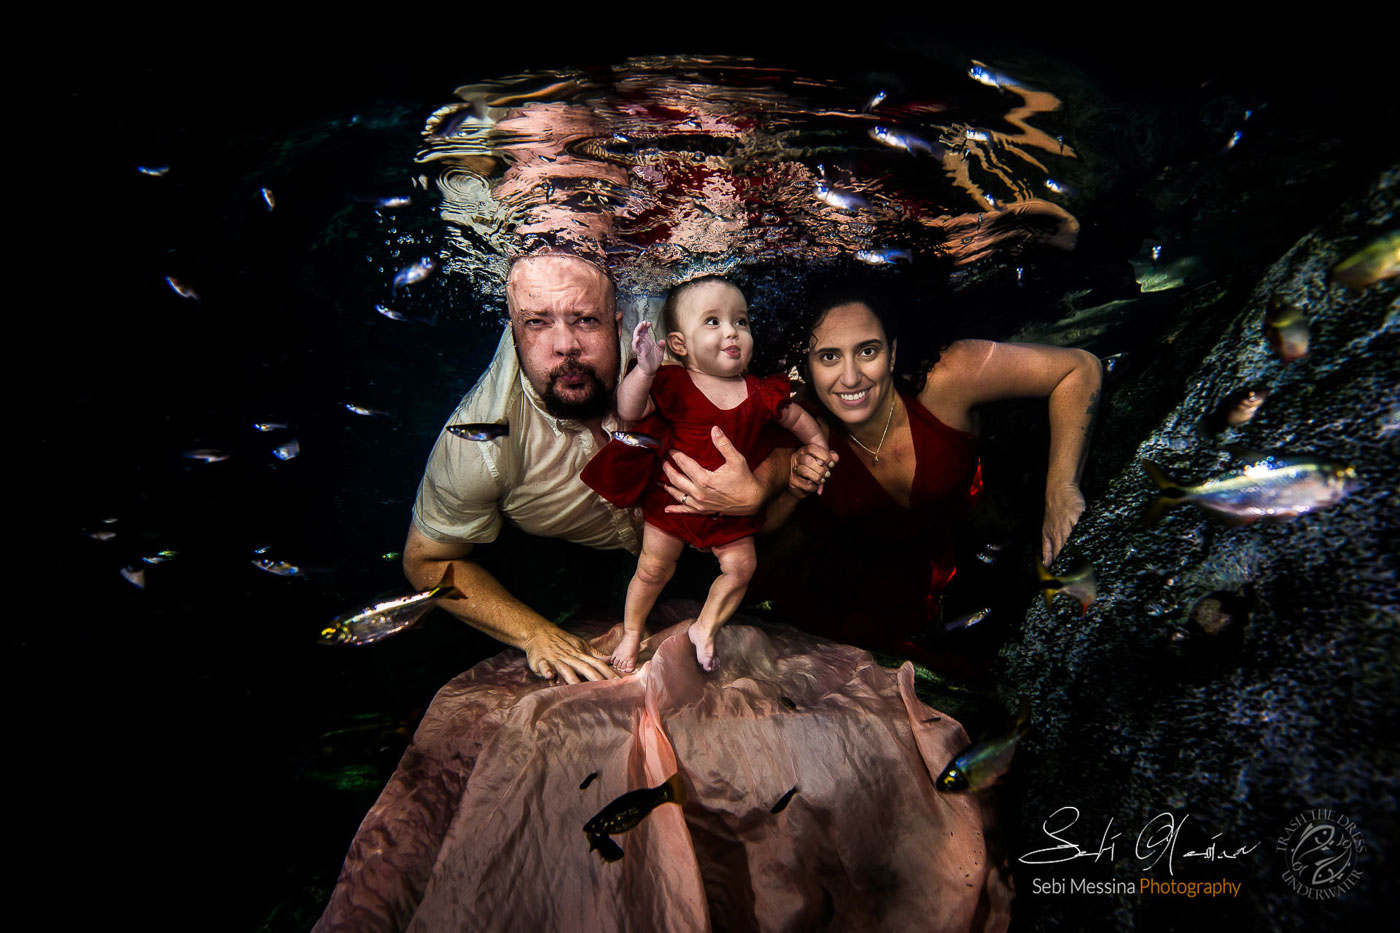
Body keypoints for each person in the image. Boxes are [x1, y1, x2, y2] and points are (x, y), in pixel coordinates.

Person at [404, 253, 789, 683]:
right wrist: (534, 634)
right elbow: (426, 561)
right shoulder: (479, 444)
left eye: (586, 320)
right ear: (513, 331)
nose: (565, 344)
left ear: (619, 322)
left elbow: (784, 423)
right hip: (580, 570)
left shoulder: (680, 331)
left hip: (725, 549)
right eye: (536, 322)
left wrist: (760, 485)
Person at [670, 293, 1100, 658]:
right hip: (848, 593)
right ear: (808, 365)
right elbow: (769, 523)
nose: (851, 377)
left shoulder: (950, 376)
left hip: (963, 556)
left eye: (868, 351)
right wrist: (780, 492)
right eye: (829, 357)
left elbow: (1079, 368)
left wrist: (1061, 487)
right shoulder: (802, 422)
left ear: (893, 352)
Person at [582, 277, 828, 672]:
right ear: (679, 345)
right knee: (652, 569)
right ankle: (631, 631)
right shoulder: (674, 382)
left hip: (731, 512)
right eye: (713, 321)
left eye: (741, 321)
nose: (732, 331)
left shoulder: (760, 391)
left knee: (742, 568)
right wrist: (644, 371)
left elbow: (797, 418)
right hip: (672, 503)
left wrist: (817, 446)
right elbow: (629, 412)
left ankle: (705, 625)